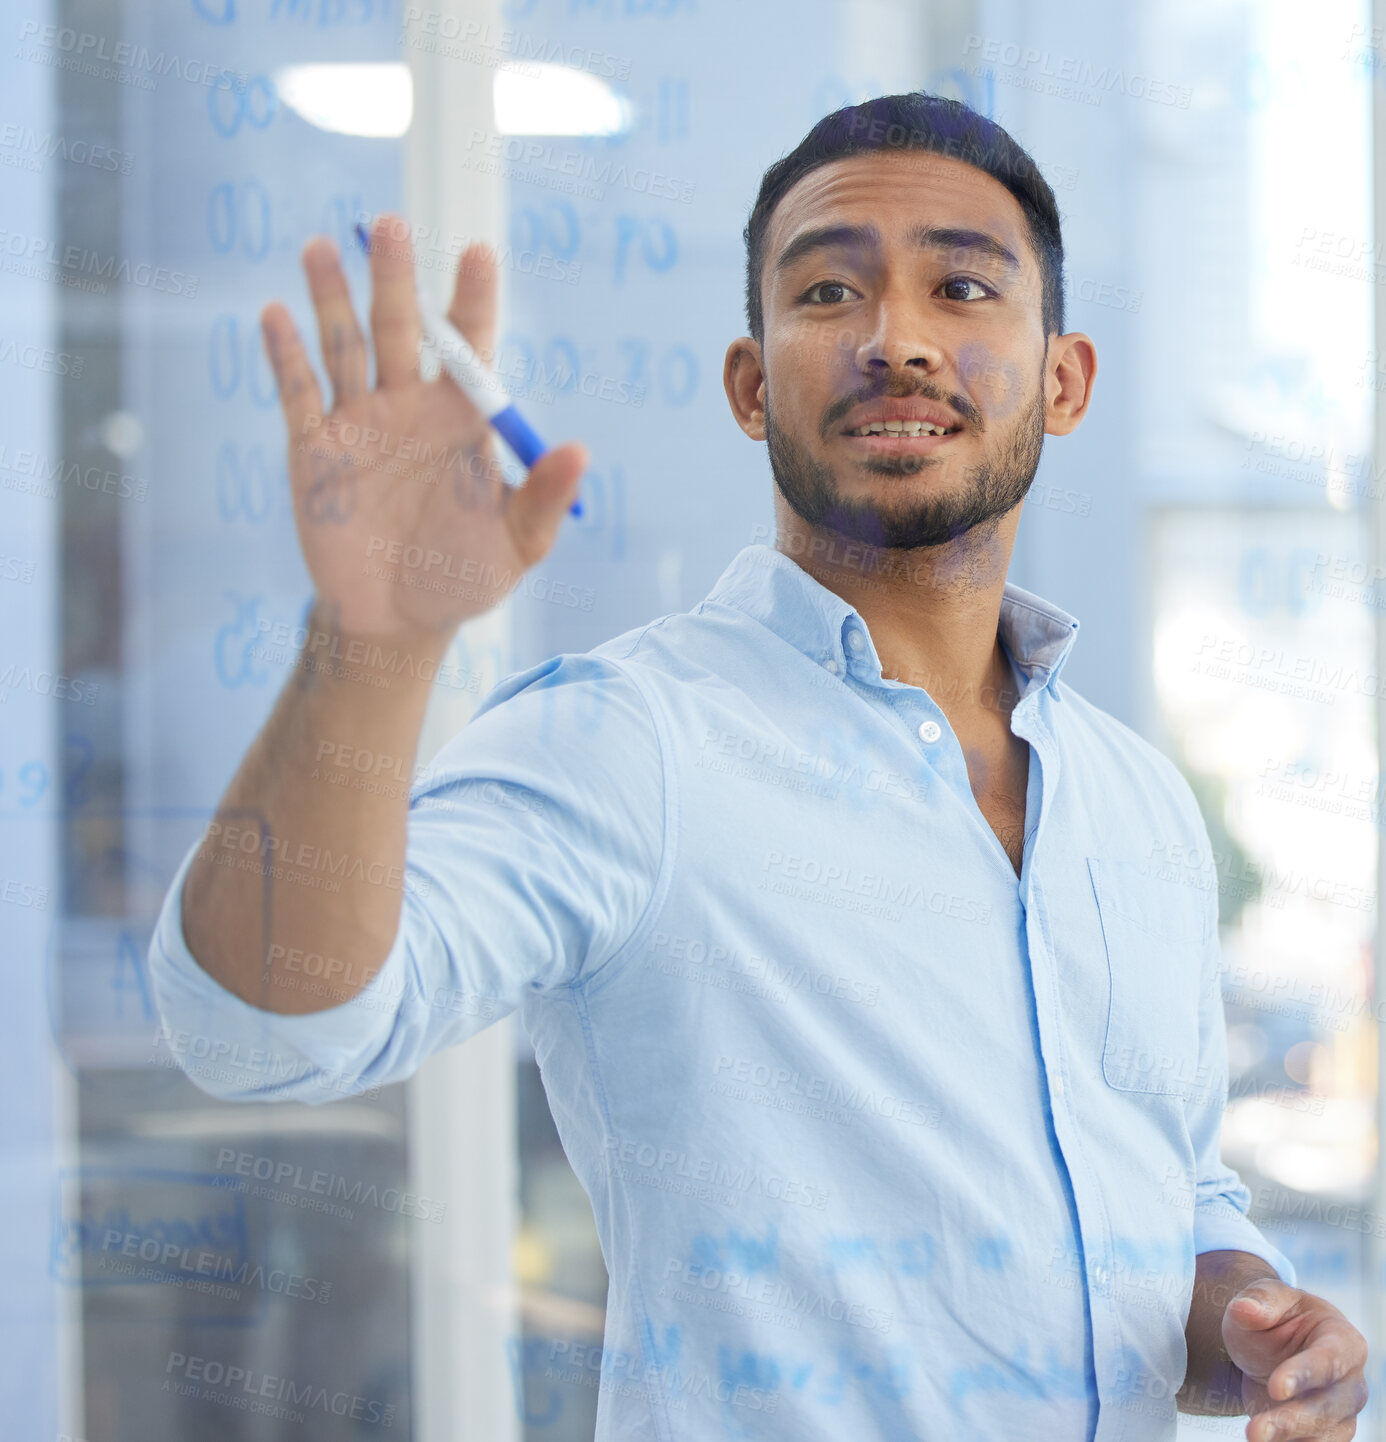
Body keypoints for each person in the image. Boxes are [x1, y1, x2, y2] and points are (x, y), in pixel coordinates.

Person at [148, 91, 1368, 1440]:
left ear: (1064, 380)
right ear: (749, 383)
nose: (895, 339)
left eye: (960, 287)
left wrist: (1254, 1319)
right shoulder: (630, 742)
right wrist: (368, 645)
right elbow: (260, 1029)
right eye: (829, 290)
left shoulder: (1133, 799)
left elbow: (1168, 1204)